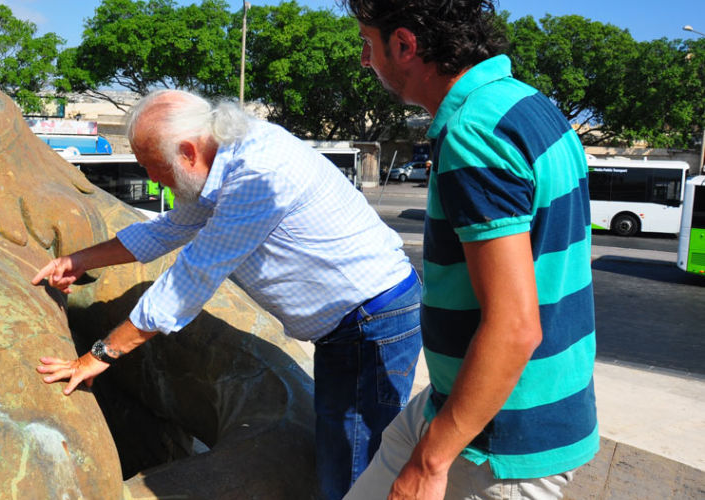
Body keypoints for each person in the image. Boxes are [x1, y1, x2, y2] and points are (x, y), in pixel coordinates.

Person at [31, 89, 423, 499]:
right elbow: (167, 229)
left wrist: (99, 355)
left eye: (151, 166)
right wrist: (79, 261)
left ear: (186, 151)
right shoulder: (221, 158)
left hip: (371, 324)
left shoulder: (258, 173)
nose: (149, 179)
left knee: (355, 476)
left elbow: (189, 280)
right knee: (343, 461)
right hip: (348, 328)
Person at [339, 1, 598, 499]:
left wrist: (432, 462)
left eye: (367, 46)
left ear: (405, 45)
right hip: (478, 404)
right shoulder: (525, 103)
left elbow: (515, 326)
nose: (365, 61)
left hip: (498, 441)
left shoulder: (473, 135)